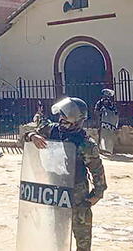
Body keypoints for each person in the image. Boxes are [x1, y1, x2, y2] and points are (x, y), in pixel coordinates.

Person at [24, 97, 107, 251]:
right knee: (57, 231)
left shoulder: (86, 143)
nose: (61, 120)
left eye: (65, 117)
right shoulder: (51, 129)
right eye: (61, 116)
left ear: (76, 120)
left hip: (77, 193)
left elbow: (97, 170)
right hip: (55, 190)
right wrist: (32, 136)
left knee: (82, 235)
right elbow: (25, 137)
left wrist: (97, 193)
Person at [94, 89, 119, 155]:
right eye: (105, 95)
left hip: (110, 123)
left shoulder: (111, 104)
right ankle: (100, 149)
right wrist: (101, 112)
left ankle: (109, 149)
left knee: (110, 135)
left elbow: (115, 112)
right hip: (101, 122)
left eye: (108, 96)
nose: (106, 97)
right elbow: (95, 111)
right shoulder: (99, 103)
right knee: (101, 135)